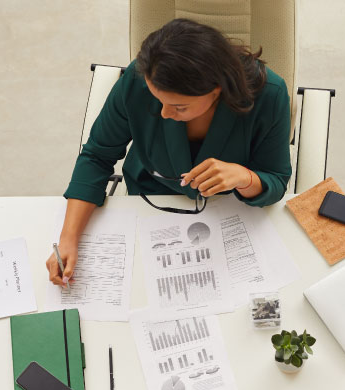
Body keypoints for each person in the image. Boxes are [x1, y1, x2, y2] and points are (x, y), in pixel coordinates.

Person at [47, 18, 292, 287]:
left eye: (179, 107)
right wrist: (68, 238)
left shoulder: (270, 95)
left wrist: (245, 177)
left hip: (231, 212)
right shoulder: (138, 80)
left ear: (216, 90)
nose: (163, 113)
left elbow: (276, 180)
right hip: (151, 200)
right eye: (157, 99)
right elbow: (97, 157)